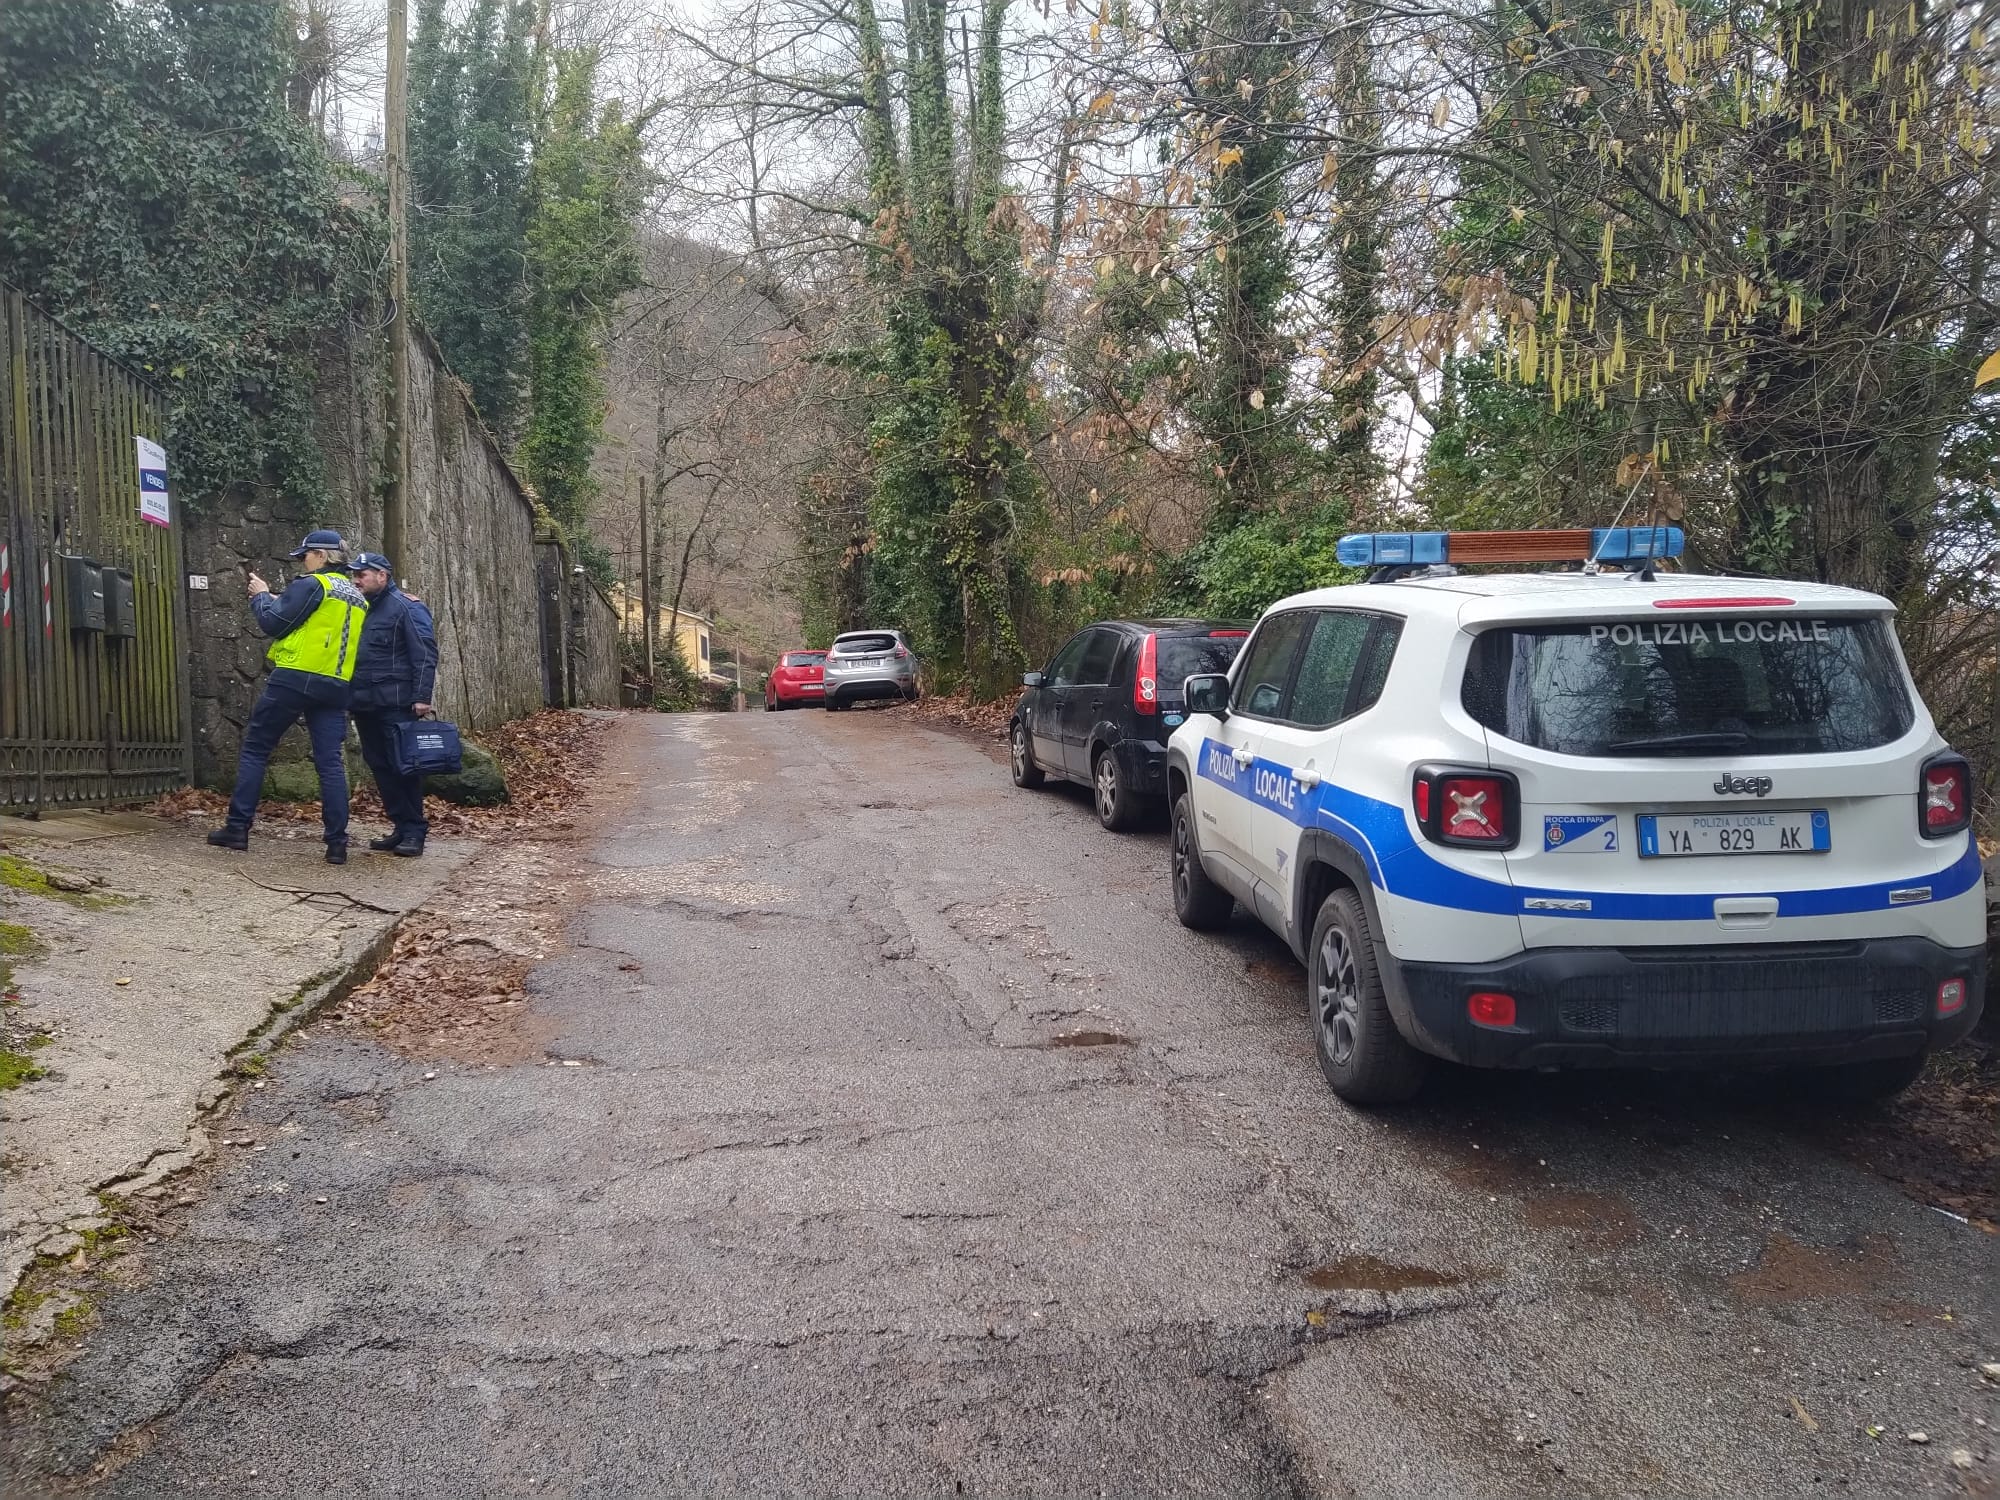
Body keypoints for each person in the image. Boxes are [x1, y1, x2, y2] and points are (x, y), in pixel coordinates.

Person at [207, 530, 367, 864]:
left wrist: (261, 596)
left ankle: (237, 829)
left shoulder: (314, 585)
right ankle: (337, 844)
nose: (302, 562)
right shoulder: (357, 596)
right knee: (330, 763)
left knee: (256, 748)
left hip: (296, 678)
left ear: (321, 556)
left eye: (305, 556)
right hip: (336, 685)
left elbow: (272, 623)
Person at [347, 551, 438, 857]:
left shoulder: (406, 608)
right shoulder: (362, 608)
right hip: (365, 703)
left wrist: (422, 697)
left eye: (362, 574)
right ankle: (400, 826)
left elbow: (424, 653)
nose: (356, 579)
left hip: (396, 704)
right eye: (354, 575)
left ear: (382, 576)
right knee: (381, 767)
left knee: (404, 767)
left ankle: (414, 831)